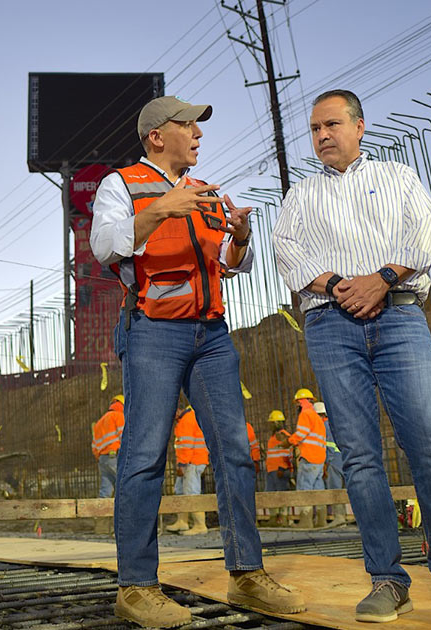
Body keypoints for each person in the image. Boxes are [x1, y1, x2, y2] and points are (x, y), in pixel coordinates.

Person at [272, 89, 431, 627]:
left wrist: (381, 280)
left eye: (331, 124)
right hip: (330, 323)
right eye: (314, 128)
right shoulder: (301, 194)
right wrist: (337, 284)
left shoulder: (400, 178)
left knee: (428, 439)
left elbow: (424, 240)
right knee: (358, 452)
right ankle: (387, 580)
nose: (321, 135)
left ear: (359, 126)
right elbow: (287, 250)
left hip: (399, 317)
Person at [91, 95, 304, 627]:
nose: (199, 134)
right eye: (188, 125)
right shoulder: (122, 184)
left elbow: (234, 264)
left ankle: (248, 575)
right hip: (153, 331)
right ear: (157, 136)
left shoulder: (205, 192)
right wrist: (159, 210)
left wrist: (241, 236)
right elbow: (103, 247)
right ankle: (136, 587)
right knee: (143, 455)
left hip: (211, 334)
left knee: (234, 450)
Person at [285, 389, 327, 528]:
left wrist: (288, 441)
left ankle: (306, 521)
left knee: (304, 488)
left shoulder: (306, 414)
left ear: (300, 402)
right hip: (320, 459)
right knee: (318, 489)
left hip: (309, 457)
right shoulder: (317, 418)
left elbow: (301, 434)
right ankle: (321, 521)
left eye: (297, 403)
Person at [167, 406, 209, 536]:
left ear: (177, 409)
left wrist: (182, 465)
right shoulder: (187, 419)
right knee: (180, 491)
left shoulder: (187, 420)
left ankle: (200, 525)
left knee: (191, 492)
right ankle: (182, 521)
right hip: (191, 461)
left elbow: (186, 446)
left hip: (192, 462)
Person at [92, 395, 126, 498]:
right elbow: (125, 437)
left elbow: (94, 446)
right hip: (115, 457)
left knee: (105, 490)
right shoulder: (119, 416)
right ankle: (126, 513)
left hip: (103, 459)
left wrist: (100, 456)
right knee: (125, 486)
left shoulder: (99, 422)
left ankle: (98, 513)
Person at [263, 410, 293, 526]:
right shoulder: (274, 436)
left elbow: (287, 453)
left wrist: (282, 468)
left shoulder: (284, 436)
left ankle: (284, 518)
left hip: (280, 470)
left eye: (272, 422)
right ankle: (273, 518)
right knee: (270, 494)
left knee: (282, 494)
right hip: (272, 470)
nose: (270, 425)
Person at [318, 402, 345, 525]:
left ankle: (339, 518)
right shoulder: (336, 423)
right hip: (342, 459)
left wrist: (326, 463)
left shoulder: (324, 426)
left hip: (333, 461)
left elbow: (327, 446)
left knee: (335, 489)